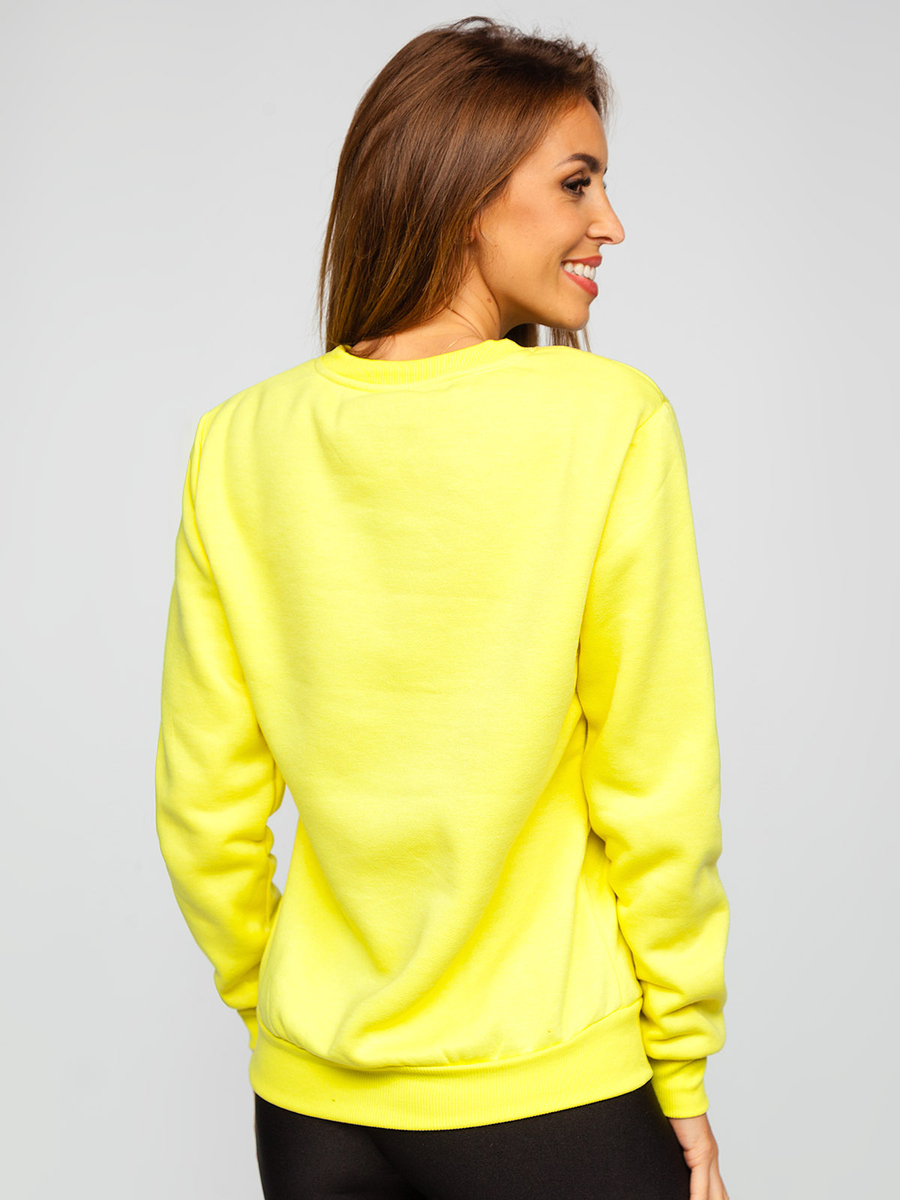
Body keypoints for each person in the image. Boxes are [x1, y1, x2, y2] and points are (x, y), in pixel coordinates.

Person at [155, 14, 731, 1200]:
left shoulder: (239, 441)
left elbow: (204, 806)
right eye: (577, 183)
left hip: (312, 1112)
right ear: (468, 193)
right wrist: (680, 1068)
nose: (610, 223)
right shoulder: (608, 421)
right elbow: (656, 788)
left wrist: (287, 1012)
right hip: (546, 1096)